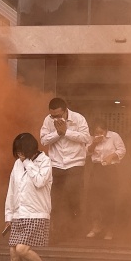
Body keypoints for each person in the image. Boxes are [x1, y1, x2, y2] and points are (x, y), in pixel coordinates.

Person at [4, 132, 54, 261]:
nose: (19, 154)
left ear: (29, 149)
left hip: (37, 213)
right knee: (13, 252)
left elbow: (39, 181)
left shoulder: (45, 161)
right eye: (17, 152)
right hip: (19, 214)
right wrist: (9, 215)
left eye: (21, 151)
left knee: (21, 249)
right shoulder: (17, 164)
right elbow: (12, 190)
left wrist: (27, 162)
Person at [39, 97, 90, 240]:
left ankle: (76, 231)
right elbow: (43, 140)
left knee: (74, 198)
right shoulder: (48, 120)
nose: (55, 118)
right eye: (52, 115)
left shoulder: (78, 118)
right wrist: (58, 133)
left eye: (58, 115)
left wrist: (66, 132)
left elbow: (86, 138)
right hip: (56, 164)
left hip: (75, 163)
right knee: (56, 199)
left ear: (65, 110)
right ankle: (58, 232)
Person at [85, 121, 127, 240]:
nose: (99, 134)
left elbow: (122, 150)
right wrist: (94, 143)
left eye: (101, 132)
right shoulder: (92, 138)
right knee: (94, 199)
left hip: (110, 170)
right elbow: (86, 152)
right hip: (97, 169)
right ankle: (96, 227)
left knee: (109, 200)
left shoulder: (114, 136)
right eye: (96, 132)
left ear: (106, 130)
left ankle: (109, 230)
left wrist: (112, 156)